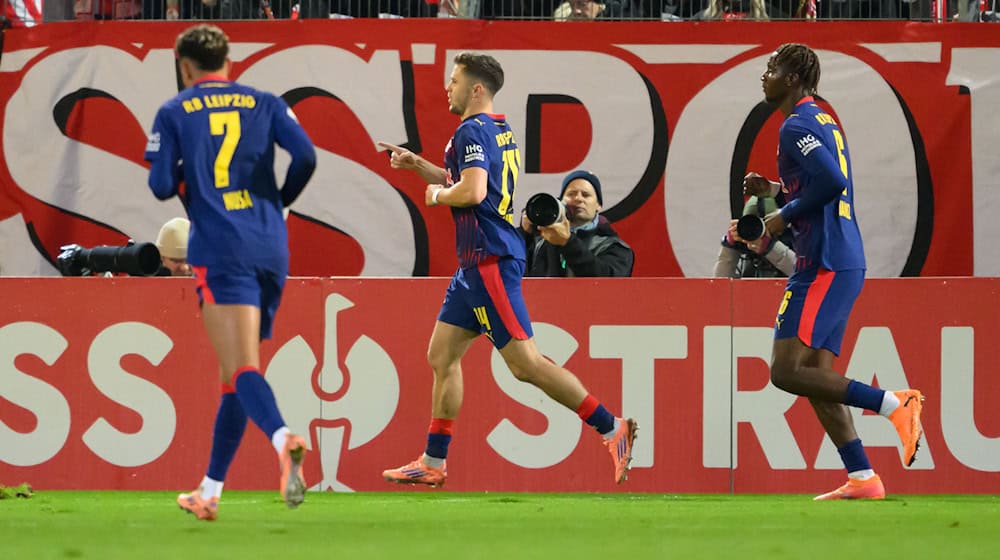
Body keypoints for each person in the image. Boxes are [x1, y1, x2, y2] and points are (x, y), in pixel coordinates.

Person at [376, 53, 637, 488]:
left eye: (455, 80)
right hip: (474, 265)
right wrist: (418, 165)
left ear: (476, 89)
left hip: (490, 260)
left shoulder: (469, 131)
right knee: (441, 355)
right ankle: (433, 461)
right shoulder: (498, 129)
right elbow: (473, 179)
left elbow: (473, 190)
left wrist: (437, 196)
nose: (448, 86)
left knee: (526, 365)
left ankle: (613, 428)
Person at [144, 24, 317, 520]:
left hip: (220, 248)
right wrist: (278, 201)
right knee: (234, 376)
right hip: (271, 244)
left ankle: (284, 439)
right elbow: (306, 155)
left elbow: (159, 186)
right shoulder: (262, 101)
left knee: (242, 368)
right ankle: (210, 490)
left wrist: (183, 174)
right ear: (228, 61)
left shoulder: (175, 111)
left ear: (184, 66)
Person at [745, 43, 923, 501]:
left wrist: (783, 213)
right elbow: (822, 178)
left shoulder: (796, 123)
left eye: (771, 68)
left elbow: (833, 182)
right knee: (818, 375)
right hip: (841, 257)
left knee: (785, 371)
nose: (763, 75)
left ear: (792, 78)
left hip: (823, 262)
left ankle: (892, 403)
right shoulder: (823, 119)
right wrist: (778, 188)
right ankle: (863, 476)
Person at [521, 170, 634, 277]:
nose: (578, 199)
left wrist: (567, 242)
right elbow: (513, 273)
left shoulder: (616, 248)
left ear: (598, 205)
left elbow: (604, 281)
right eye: (571, 194)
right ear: (561, 202)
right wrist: (524, 235)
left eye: (586, 195)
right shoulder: (540, 241)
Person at [713, 194, 796, 278]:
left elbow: (804, 273)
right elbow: (719, 284)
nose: (756, 230)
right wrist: (729, 246)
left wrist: (770, 247)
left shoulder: (801, 238)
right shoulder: (749, 243)